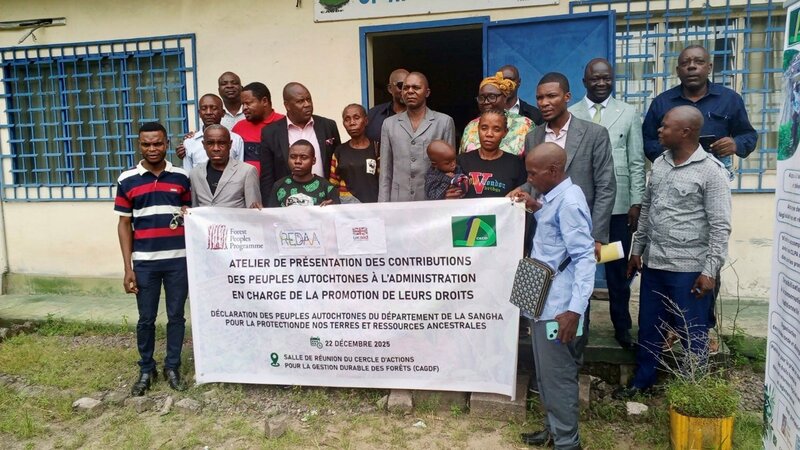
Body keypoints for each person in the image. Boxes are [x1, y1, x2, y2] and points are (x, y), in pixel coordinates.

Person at [615, 106, 731, 399]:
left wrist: (710, 271)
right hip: (654, 265)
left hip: (689, 270)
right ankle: (643, 383)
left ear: (686, 132)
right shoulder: (661, 164)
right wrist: (636, 250)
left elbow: (720, 226)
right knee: (650, 328)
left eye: (665, 126)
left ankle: (695, 392)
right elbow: (647, 211)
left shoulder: (711, 172)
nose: (659, 130)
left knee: (693, 332)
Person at [513, 142, 595, 450]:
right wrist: (536, 207)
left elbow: (586, 259)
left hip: (558, 309)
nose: (529, 178)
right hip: (541, 298)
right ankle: (553, 430)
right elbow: (556, 235)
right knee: (546, 374)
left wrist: (574, 311)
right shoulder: (553, 198)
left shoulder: (570, 203)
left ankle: (567, 443)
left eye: (533, 173)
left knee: (558, 377)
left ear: (553, 170)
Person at [568, 58, 646, 349]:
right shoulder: (572, 113)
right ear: (584, 82)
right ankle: (579, 326)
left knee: (616, 271)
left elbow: (636, 160)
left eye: (606, 78)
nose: (601, 83)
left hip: (617, 207)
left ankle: (622, 327)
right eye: (595, 79)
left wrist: (636, 201)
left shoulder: (627, 113)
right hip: (581, 205)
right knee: (578, 267)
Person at [114, 122, 191, 396]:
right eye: (146, 144)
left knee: (176, 317)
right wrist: (128, 268)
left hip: (178, 261)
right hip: (145, 263)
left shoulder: (182, 178)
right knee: (145, 319)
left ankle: (172, 366)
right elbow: (124, 225)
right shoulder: (127, 180)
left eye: (157, 143)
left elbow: (191, 217)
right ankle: (147, 368)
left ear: (167, 144)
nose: (152, 149)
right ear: (140, 145)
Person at [641, 44, 757, 176]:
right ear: (678, 71)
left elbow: (749, 135)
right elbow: (647, 140)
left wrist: (736, 144)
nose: (691, 66)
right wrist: (669, 155)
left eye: (699, 62)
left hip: (716, 175)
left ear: (710, 68)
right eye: (685, 63)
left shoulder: (730, 99)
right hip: (672, 174)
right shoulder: (661, 102)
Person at [378, 71, 456, 202]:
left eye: (416, 87)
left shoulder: (444, 122)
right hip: (398, 201)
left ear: (427, 92)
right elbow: (385, 171)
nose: (410, 91)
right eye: (405, 88)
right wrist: (383, 206)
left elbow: (451, 167)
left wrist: (447, 200)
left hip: (432, 199)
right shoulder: (389, 124)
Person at [260, 82, 341, 204]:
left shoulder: (328, 126)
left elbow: (338, 165)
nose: (307, 104)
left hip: (325, 204)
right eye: (300, 101)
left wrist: (335, 199)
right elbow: (267, 177)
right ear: (287, 105)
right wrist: (270, 211)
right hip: (288, 206)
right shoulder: (271, 132)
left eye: (309, 99)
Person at [454, 109, 527, 198]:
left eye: (496, 130)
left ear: (505, 132)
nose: (489, 134)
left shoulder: (516, 164)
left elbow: (521, 198)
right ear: (478, 129)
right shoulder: (461, 161)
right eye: (484, 128)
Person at [460, 72, 533, 158]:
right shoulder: (471, 126)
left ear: (505, 98)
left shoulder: (524, 125)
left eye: (492, 97)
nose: (486, 102)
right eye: (481, 98)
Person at [189, 125, 261, 208]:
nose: (216, 148)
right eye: (210, 143)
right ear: (204, 145)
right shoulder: (195, 173)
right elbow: (195, 209)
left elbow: (254, 211)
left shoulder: (247, 171)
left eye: (221, 143)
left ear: (230, 144)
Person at [178, 94, 245, 171]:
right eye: (204, 108)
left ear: (223, 113)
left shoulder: (236, 139)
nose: (208, 112)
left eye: (214, 108)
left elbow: (240, 172)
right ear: (199, 113)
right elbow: (188, 175)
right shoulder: (189, 142)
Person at [329, 104, 379, 203]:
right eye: (347, 119)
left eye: (356, 118)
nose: (352, 123)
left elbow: (385, 181)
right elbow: (333, 183)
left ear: (366, 121)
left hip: (373, 207)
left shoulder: (377, 148)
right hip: (347, 209)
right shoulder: (339, 151)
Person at [232, 82, 285, 175]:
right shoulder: (239, 127)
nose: (244, 108)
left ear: (264, 101)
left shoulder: (283, 123)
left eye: (248, 103)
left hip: (278, 185)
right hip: (247, 186)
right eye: (242, 104)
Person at [269, 140, 340, 207]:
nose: (297, 161)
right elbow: (272, 217)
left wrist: (333, 208)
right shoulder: (279, 186)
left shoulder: (327, 187)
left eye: (304, 157)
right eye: (293, 157)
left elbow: (337, 216)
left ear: (313, 161)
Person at [366, 69, 408, 145]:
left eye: (409, 86)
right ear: (390, 89)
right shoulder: (373, 115)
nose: (406, 91)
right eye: (401, 85)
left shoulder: (422, 117)